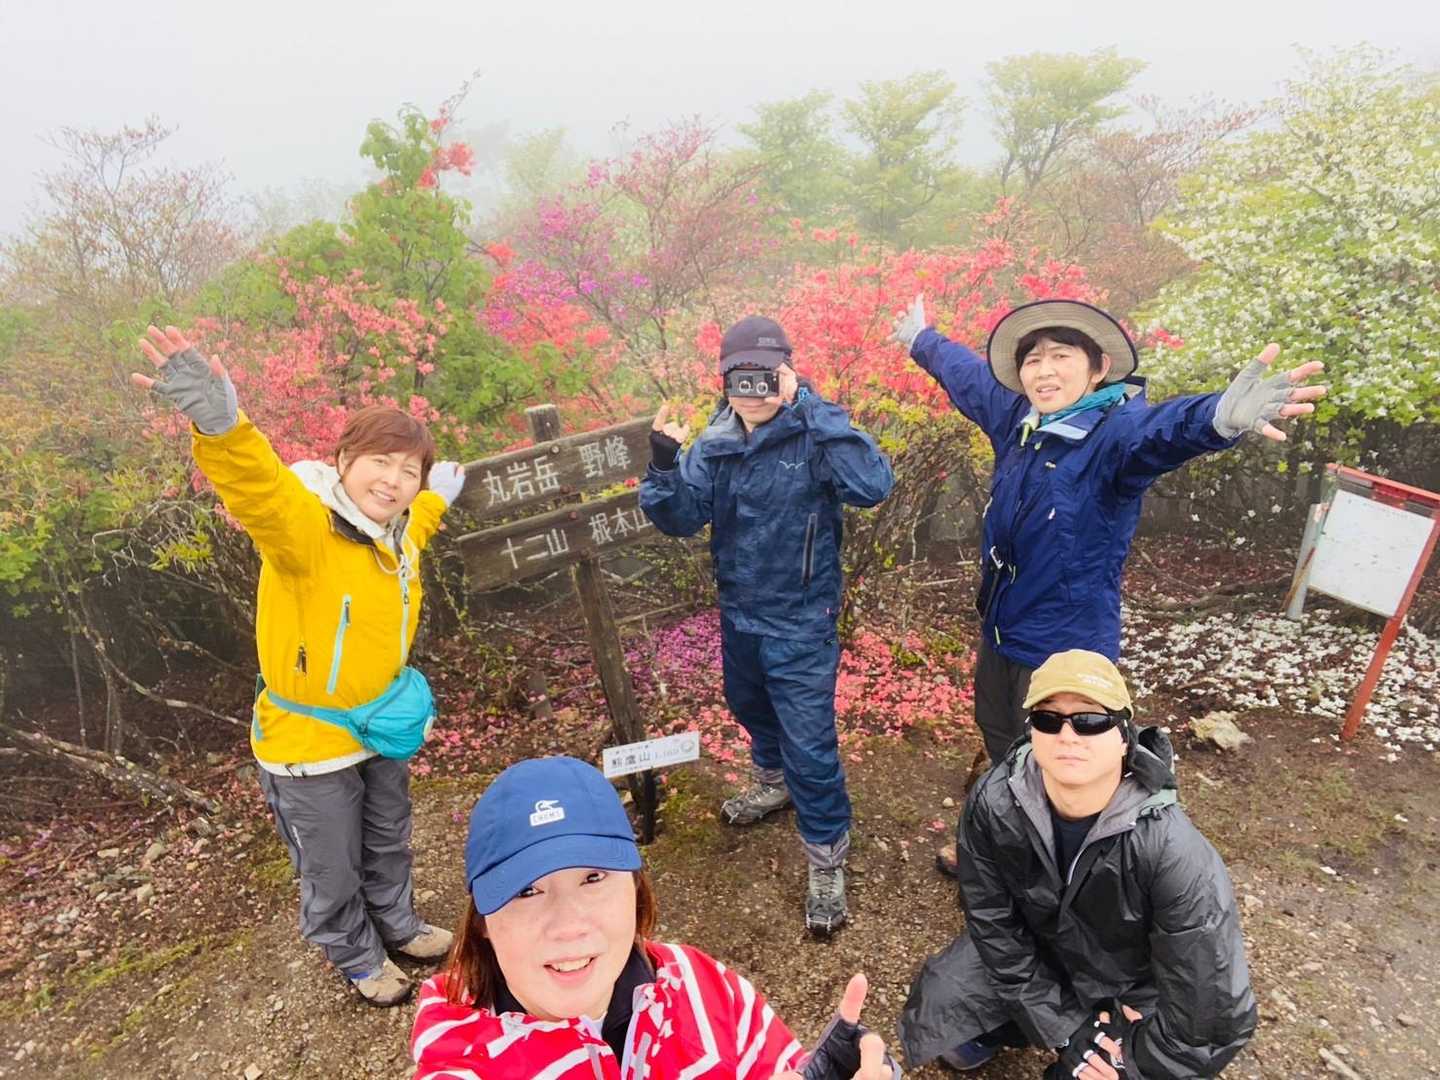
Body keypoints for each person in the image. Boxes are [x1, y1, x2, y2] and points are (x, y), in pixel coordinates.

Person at [891, 297, 1327, 873]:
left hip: (1067, 641)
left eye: (1061, 356)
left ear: (1098, 368)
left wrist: (1217, 417)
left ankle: (1058, 872)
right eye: (1033, 360)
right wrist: (922, 340)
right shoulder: (1020, 422)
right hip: (1003, 626)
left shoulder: (1112, 435)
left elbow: (1162, 432)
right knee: (999, 732)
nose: (1044, 371)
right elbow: (969, 378)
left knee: (1061, 760)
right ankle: (1006, 837)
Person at [132, 325, 466, 1005]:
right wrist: (223, 428)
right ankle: (356, 954)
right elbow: (259, 490)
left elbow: (420, 521)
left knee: (388, 839)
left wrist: (437, 496)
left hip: (380, 726)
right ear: (342, 460)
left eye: (409, 470)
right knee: (331, 862)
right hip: (310, 743)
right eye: (380, 462)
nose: (394, 480)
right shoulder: (306, 527)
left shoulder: (398, 533)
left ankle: (397, 924)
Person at [409, 755, 901, 1079]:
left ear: (636, 890)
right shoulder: (460, 1057)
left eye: (593, 878)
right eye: (527, 891)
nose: (569, 925)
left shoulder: (704, 986)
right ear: (482, 923)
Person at [639, 315, 894, 934]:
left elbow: (872, 485)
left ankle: (826, 857)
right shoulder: (716, 442)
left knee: (811, 745)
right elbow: (679, 519)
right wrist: (664, 463)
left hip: (801, 621)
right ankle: (772, 782)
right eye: (738, 376)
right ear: (723, 380)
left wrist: (810, 406)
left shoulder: (814, 433)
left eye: (763, 374)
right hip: (740, 615)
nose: (750, 389)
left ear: (785, 371)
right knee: (748, 705)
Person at [898, 650, 1257, 1078]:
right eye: (1048, 719)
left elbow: (1210, 1017)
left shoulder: (1173, 852)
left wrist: (1132, 1064)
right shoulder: (994, 803)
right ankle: (1010, 1029)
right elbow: (992, 921)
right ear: (1031, 733)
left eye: (1089, 720)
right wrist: (1066, 1028)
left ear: (1124, 736)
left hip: (1132, 985)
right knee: (945, 1001)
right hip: (1043, 950)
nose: (1067, 735)